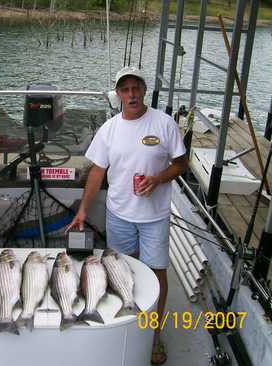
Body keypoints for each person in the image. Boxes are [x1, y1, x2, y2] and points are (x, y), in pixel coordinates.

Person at [66, 66, 188, 365]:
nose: (131, 94)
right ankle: (123, 324)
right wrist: (82, 210)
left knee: (157, 272)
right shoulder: (110, 128)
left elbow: (181, 163)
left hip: (155, 216)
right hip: (119, 213)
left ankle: (154, 336)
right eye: (125, 89)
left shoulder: (164, 123)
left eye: (136, 88)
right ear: (118, 94)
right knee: (119, 268)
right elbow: (97, 172)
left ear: (144, 91)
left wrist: (158, 179)